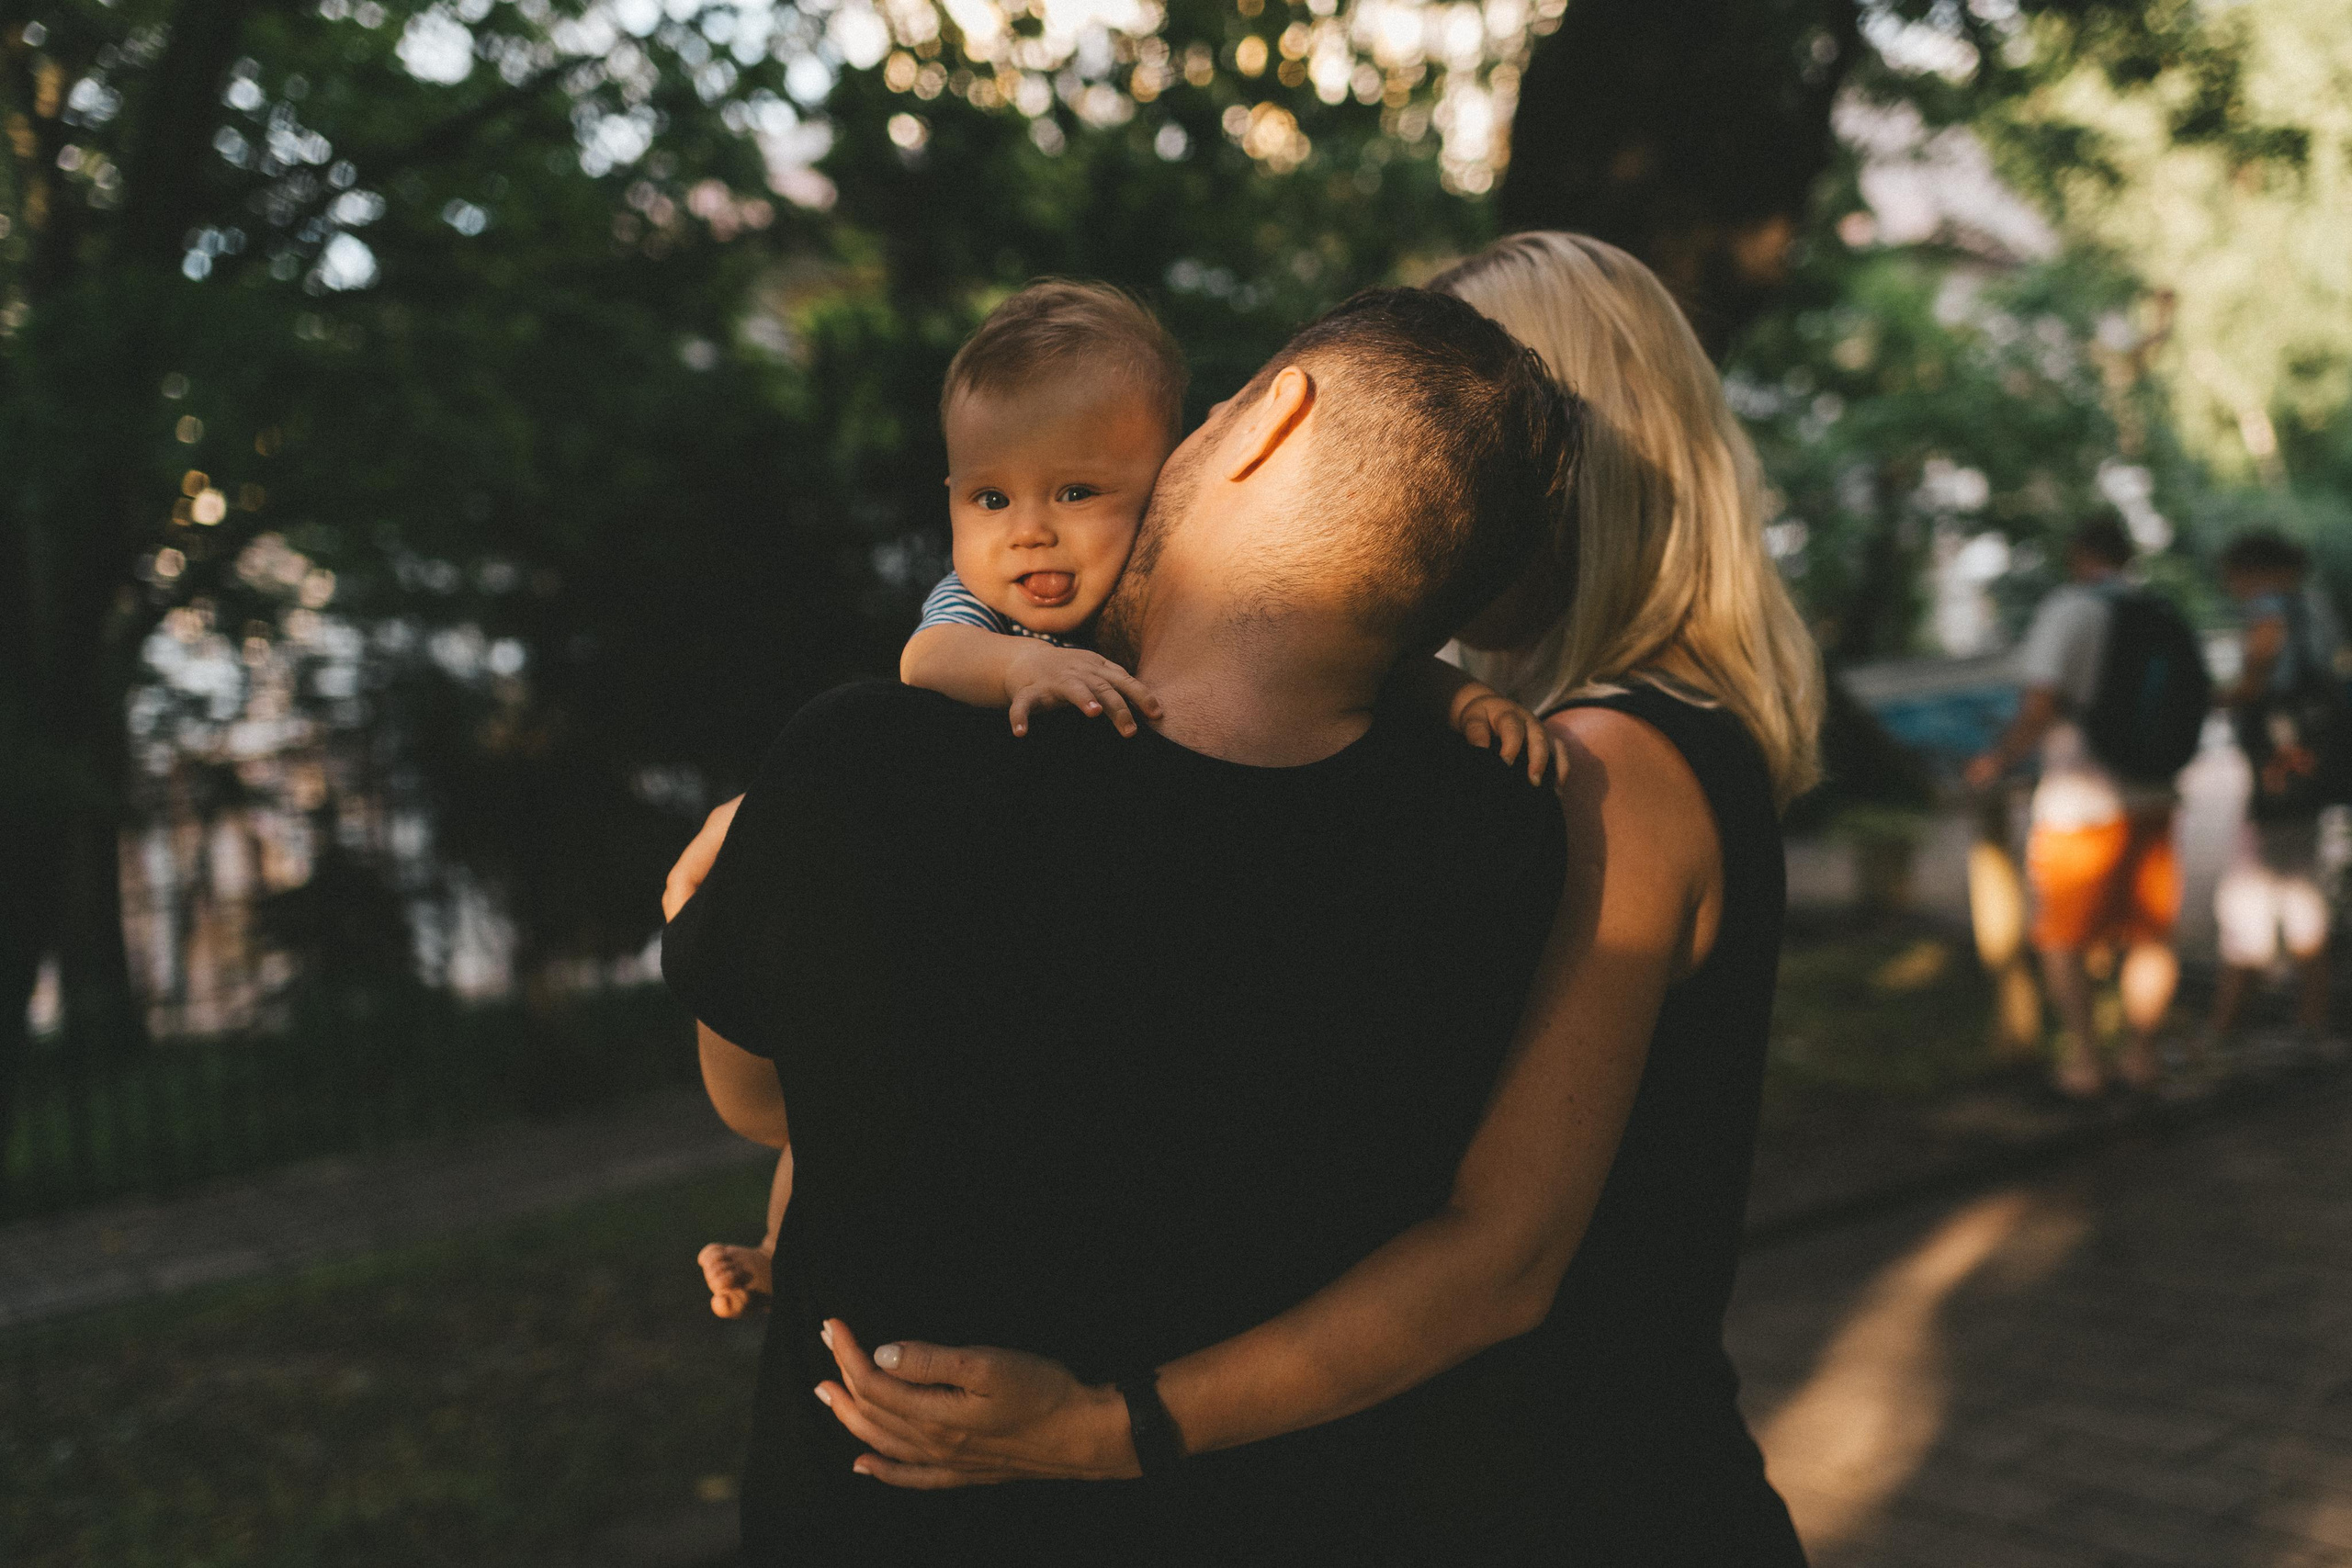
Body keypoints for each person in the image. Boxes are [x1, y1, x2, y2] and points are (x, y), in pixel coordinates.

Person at [781, 233, 1822, 1564]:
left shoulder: (1596, 768)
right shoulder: (1631, 733)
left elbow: (1497, 1255)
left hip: (1572, 1492)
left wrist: (1111, 1427)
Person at [662, 285, 1583, 1564]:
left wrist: (757, 865)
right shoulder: (1506, 829)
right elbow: (1489, 1252)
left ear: (1273, 421)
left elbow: (759, 1100)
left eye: (1213, 409)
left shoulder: (867, 766)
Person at [1966, 514, 2183, 1097]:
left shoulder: (2071, 609)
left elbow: (2040, 702)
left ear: (2078, 552)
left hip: (2080, 801)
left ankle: (2086, 1063)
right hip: (2154, 791)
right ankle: (2142, 1058)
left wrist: (1996, 759)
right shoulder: (2160, 610)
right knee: (2148, 935)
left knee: (2062, 937)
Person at [2205, 530, 2346, 1056]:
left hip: (2277, 775)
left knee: (2248, 891)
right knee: (2306, 889)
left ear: (2253, 570)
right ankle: (2311, 1021)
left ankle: (2224, 1029)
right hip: (2314, 771)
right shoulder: (2315, 608)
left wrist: (2211, 698)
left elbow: (2255, 683)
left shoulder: (2268, 610)